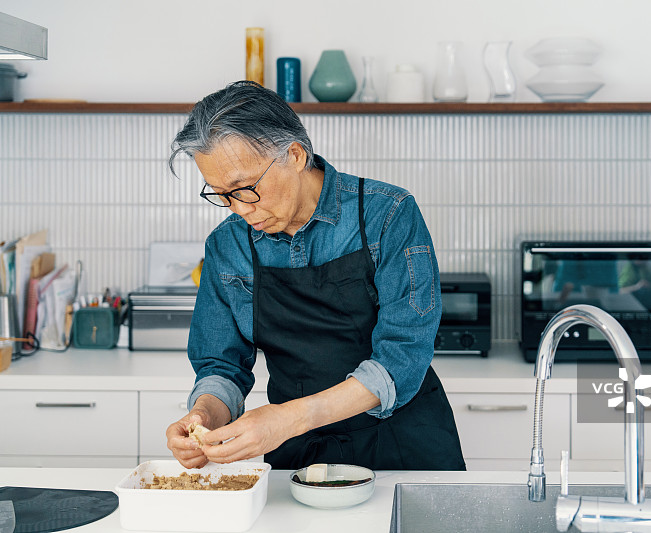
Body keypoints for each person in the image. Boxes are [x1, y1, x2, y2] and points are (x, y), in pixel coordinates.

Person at [165, 80, 466, 472]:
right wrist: (204, 416)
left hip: (404, 443)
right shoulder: (228, 246)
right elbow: (221, 366)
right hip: (298, 453)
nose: (237, 208)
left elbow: (403, 356)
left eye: (244, 188)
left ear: (294, 155)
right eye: (221, 194)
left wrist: (288, 418)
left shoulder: (387, 215)